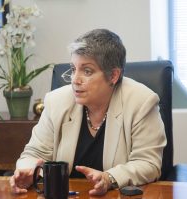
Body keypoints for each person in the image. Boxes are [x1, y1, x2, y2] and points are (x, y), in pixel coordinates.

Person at [10, 29, 167, 196]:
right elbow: (33, 154)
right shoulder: (56, 101)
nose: (75, 80)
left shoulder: (141, 102)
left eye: (87, 71)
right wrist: (31, 173)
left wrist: (109, 178)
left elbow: (148, 164)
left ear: (113, 75)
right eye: (73, 69)